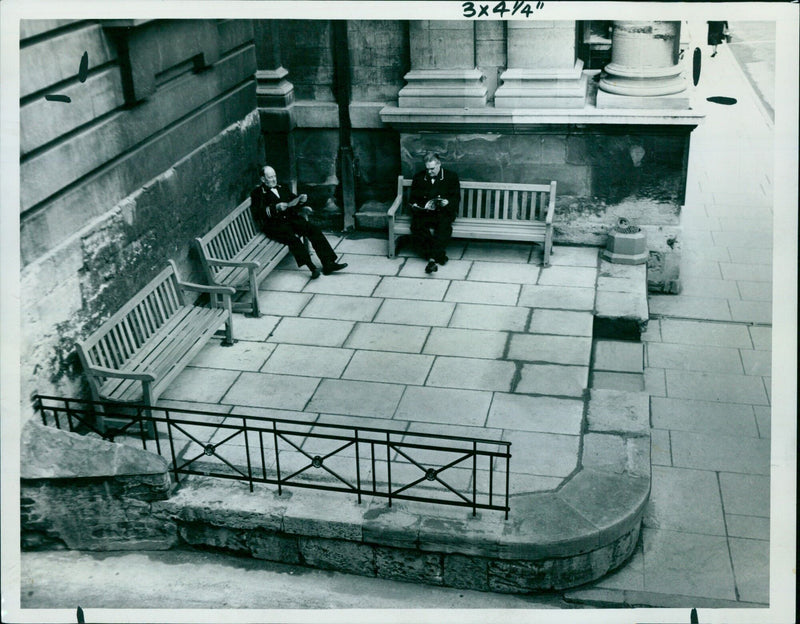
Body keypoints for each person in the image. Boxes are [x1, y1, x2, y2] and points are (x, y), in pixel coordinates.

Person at [250, 166, 347, 279]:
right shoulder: (257, 193)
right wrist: (275, 208)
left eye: (275, 176)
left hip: (290, 219)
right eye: (270, 177)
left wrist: (301, 200)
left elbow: (293, 200)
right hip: (274, 226)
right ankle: (312, 268)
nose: (274, 179)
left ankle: (328, 263)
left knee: (313, 229)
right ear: (263, 179)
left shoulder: (282, 187)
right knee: (293, 239)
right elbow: (257, 213)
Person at [408, 152, 460, 274]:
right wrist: (415, 205)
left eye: (432, 169)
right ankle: (437, 257)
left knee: (444, 228)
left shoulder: (451, 176)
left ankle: (432, 258)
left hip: (443, 212)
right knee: (417, 227)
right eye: (427, 169)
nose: (430, 172)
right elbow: (412, 199)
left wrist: (447, 202)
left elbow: (456, 198)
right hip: (424, 213)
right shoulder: (419, 177)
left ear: (439, 164)